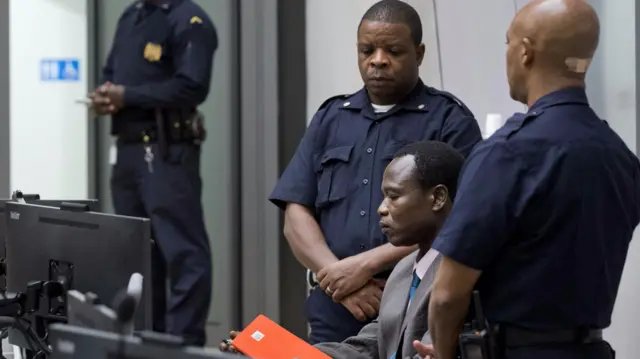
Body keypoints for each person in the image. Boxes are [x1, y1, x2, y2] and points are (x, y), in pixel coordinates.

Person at [415, 1, 640, 359]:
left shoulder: (505, 155)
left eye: (507, 43)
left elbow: (446, 295)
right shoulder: (620, 158)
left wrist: (443, 353)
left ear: (524, 52)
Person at [269, 0, 482, 344]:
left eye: (394, 50)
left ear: (419, 53)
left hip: (413, 301)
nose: (378, 60)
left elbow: (463, 216)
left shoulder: (449, 120)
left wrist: (365, 266)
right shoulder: (332, 117)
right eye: (367, 50)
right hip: (335, 304)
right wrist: (338, 279)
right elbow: (296, 213)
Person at [221, 141, 465, 358]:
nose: (381, 209)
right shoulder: (403, 271)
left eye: (394, 196)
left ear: (437, 198)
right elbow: (365, 347)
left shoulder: (464, 276)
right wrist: (279, 352)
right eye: (383, 197)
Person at [89, 0, 217, 346]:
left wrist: (127, 96)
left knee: (183, 255)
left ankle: (181, 345)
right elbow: (111, 72)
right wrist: (106, 94)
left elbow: (193, 86)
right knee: (136, 255)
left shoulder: (189, 20)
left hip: (165, 152)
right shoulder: (131, 16)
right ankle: (145, 342)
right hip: (128, 152)